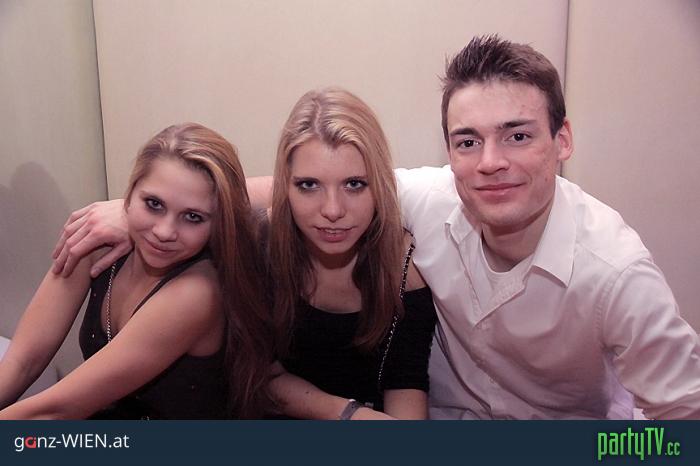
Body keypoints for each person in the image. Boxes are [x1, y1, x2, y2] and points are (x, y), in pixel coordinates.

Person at [393, 35, 700, 419]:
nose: (490, 162)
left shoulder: (615, 272)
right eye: (468, 142)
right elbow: (338, 187)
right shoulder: (428, 201)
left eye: (517, 136)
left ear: (562, 140)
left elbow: (685, 417)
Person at [0, 123, 272, 419]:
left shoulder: (196, 293)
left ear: (217, 224)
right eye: (153, 204)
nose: (164, 232)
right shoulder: (96, 243)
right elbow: (22, 361)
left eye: (193, 217)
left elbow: (56, 410)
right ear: (128, 196)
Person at [265, 88, 437, 419]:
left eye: (354, 184)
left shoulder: (405, 269)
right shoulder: (262, 246)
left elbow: (406, 382)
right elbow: (256, 376)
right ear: (285, 185)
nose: (333, 210)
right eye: (309, 185)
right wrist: (349, 415)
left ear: (380, 184)